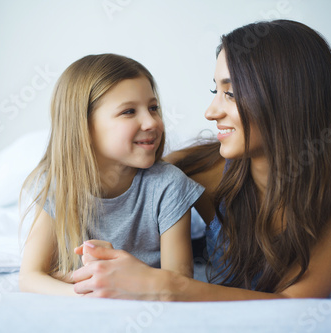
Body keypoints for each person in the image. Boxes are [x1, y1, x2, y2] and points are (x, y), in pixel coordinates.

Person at [71, 20, 331, 301]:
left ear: (286, 97)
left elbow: (298, 299)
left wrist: (165, 287)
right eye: (215, 90)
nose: (211, 112)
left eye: (231, 94)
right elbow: (115, 192)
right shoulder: (193, 172)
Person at [18, 54, 205, 296]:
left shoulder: (168, 185)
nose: (151, 122)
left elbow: (180, 284)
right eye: (129, 111)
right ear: (83, 126)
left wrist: (116, 278)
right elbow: (30, 278)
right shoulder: (57, 184)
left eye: (153, 108)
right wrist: (88, 294)